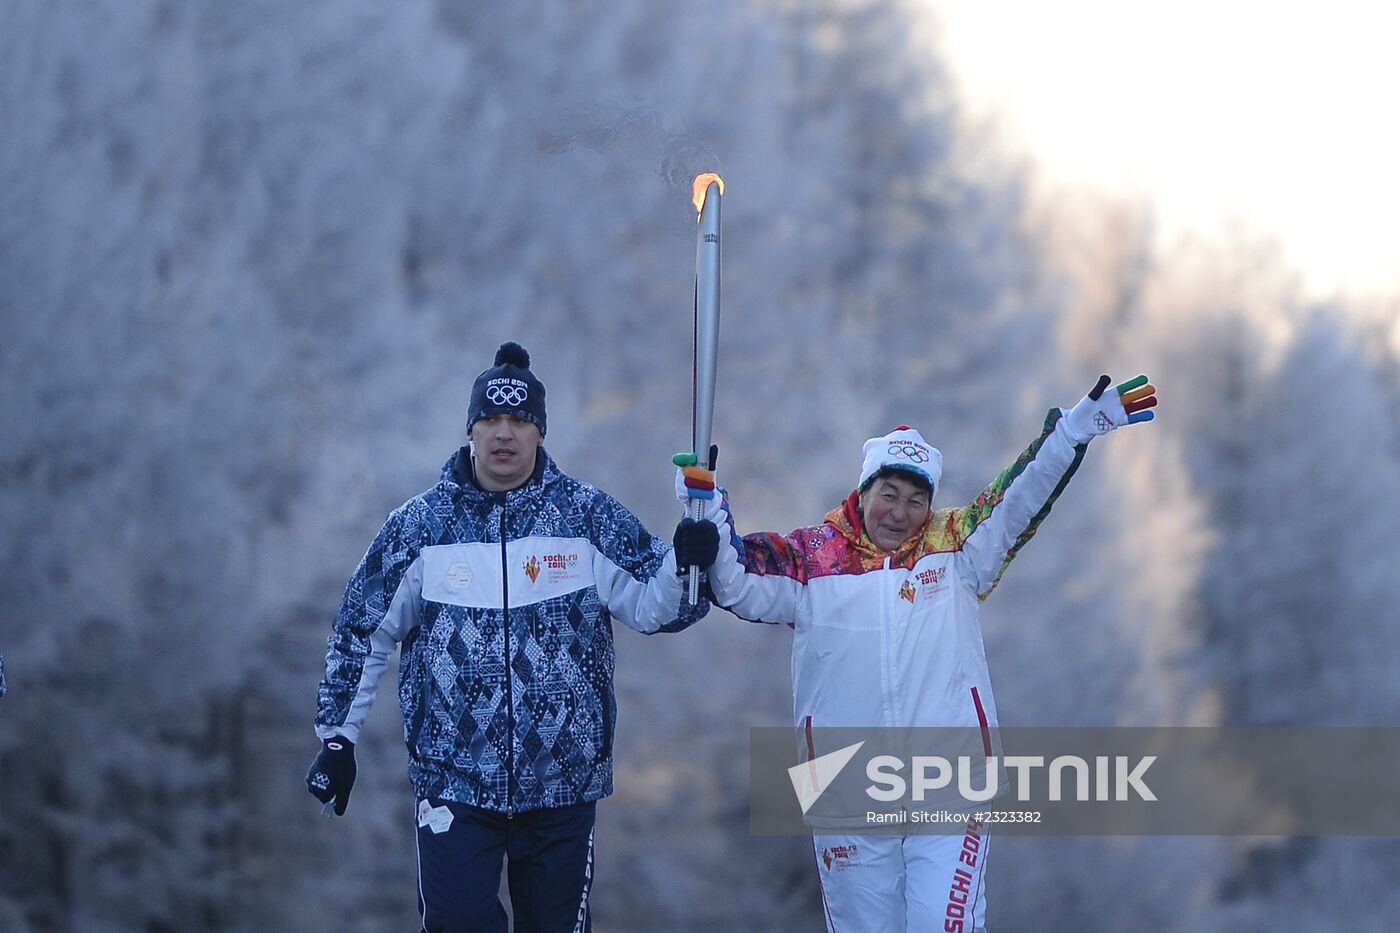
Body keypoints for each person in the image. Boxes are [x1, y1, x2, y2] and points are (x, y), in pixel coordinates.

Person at [694, 374, 1158, 933]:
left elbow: (1015, 501)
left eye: (917, 500)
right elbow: (736, 580)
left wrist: (1068, 436)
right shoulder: (811, 560)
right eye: (888, 493)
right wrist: (705, 515)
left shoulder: (957, 550)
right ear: (862, 492)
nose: (900, 511)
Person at [308, 341, 721, 933]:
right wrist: (338, 738)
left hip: (562, 782)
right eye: (492, 420)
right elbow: (359, 632)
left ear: (540, 433)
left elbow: (660, 606)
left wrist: (690, 565)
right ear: (471, 429)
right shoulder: (420, 528)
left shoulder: (585, 518)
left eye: (520, 421)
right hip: (454, 778)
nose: (505, 434)